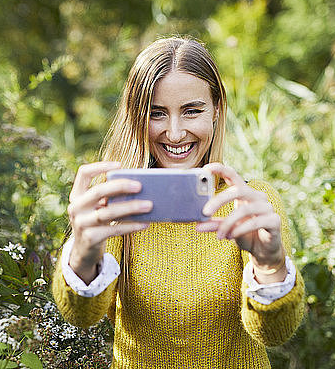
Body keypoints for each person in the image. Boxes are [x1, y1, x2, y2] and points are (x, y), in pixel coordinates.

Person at [52, 36, 305, 368]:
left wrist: (270, 265)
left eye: (191, 111)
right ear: (136, 117)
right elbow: (83, 314)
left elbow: (274, 334)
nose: (173, 133)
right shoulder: (116, 201)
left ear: (216, 110)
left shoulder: (249, 202)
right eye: (156, 113)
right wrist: (83, 252)